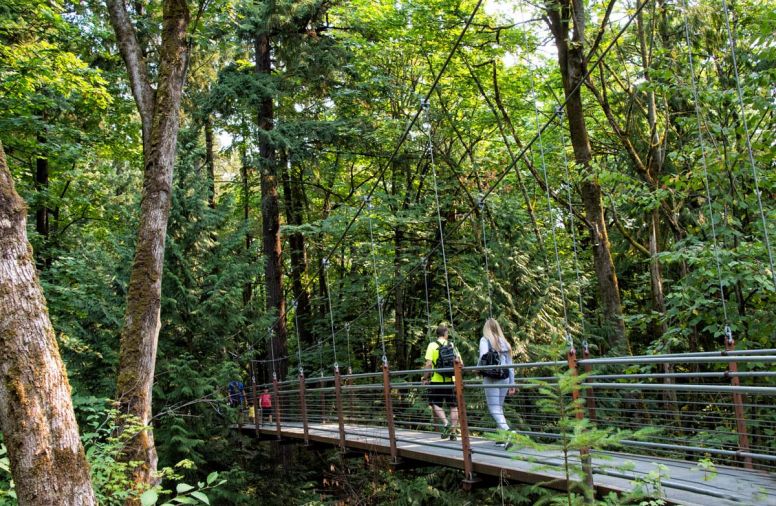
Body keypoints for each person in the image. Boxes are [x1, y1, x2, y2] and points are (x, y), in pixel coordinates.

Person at [478, 318, 516, 449]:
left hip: (491, 377)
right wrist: (512, 383)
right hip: (504, 376)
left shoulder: (485, 340)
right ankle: (501, 439)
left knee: (494, 408)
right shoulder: (505, 342)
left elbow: (483, 357)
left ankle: (508, 431)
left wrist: (477, 369)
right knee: (498, 407)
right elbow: (510, 366)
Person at [421, 324, 462, 441]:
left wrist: (425, 378)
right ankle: (453, 432)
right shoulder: (451, 345)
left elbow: (428, 364)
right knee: (453, 406)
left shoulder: (432, 345)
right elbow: (459, 363)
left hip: (437, 381)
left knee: (435, 403)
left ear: (437, 334)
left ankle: (445, 423)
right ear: (445, 334)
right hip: (451, 381)